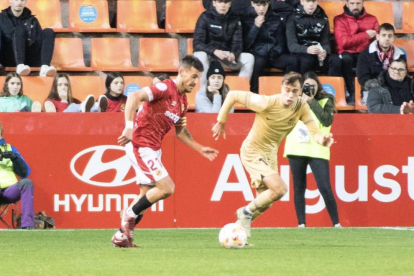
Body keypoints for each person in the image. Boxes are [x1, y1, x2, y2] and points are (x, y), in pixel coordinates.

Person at [212, 71, 334, 244]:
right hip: (253, 151)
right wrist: (221, 120)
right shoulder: (267, 102)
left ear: (300, 91)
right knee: (280, 189)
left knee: (266, 201)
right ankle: (244, 212)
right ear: (282, 87)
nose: (290, 95)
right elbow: (232, 95)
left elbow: (314, 131)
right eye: (287, 89)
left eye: (295, 91)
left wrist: (323, 139)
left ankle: (238, 232)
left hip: (270, 154)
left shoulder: (301, 106)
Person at [111, 55, 219, 248]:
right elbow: (135, 97)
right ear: (182, 72)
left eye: (198, 78)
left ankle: (122, 236)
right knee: (167, 187)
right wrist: (128, 126)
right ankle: (129, 213)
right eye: (194, 76)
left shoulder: (183, 101)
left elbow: (181, 131)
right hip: (140, 144)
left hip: (153, 148)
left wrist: (200, 148)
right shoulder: (164, 88)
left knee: (146, 195)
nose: (196, 82)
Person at [283, 72, 340, 228]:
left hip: (318, 147)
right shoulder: (293, 100)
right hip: (296, 147)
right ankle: (301, 224)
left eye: (312, 86)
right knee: (299, 187)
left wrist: (311, 101)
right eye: (306, 86)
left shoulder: (326, 100)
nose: (309, 89)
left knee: (324, 187)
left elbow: (327, 120)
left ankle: (336, 224)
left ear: (318, 86)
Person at [193, 0, 254, 93]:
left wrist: (234, 54)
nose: (223, 5)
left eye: (225, 2)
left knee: (249, 58)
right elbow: (197, 44)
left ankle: (238, 93)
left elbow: (238, 42)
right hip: (209, 55)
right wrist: (214, 51)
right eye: (220, 2)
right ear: (214, 3)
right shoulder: (204, 17)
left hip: (225, 56)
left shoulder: (235, 18)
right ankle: (205, 92)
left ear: (229, 4)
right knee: (200, 55)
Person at [242, 0, 299, 93]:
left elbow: (281, 41)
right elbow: (245, 44)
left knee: (293, 60)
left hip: (273, 53)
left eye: (264, 5)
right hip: (257, 53)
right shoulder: (246, 18)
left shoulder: (275, 18)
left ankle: (288, 91)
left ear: (268, 4)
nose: (261, 8)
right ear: (252, 3)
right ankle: (254, 93)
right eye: (258, 5)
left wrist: (276, 51)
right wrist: (255, 27)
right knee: (258, 62)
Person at [334, 0, 379, 105]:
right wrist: (365, 35)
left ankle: (368, 92)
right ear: (347, 3)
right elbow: (344, 42)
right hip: (346, 52)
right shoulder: (339, 19)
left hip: (364, 52)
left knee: (373, 58)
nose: (355, 6)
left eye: (358, 3)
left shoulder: (372, 19)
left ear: (363, 3)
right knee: (346, 59)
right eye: (352, 3)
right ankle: (351, 92)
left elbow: (377, 40)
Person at [285, 0, 342, 76]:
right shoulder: (292, 17)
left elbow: (325, 42)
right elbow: (291, 45)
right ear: (302, 2)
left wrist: (325, 51)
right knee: (307, 60)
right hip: (300, 54)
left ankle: (331, 86)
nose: (311, 4)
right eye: (308, 1)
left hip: (317, 55)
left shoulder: (323, 17)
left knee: (335, 60)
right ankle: (303, 86)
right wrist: (307, 50)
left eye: (313, 1)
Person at [0, 0, 56, 77]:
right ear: (10, 1)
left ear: (26, 1)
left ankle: (45, 67)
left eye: (22, 0)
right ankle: (20, 65)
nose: (19, 3)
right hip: (8, 57)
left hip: (29, 57)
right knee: (19, 29)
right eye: (16, 0)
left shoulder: (32, 20)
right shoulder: (1, 19)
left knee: (48, 32)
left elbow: (38, 42)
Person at [357, 23, 406, 104]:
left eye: (390, 36)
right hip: (371, 90)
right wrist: (377, 86)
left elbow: (403, 75)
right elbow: (362, 78)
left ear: (393, 38)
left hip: (394, 90)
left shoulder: (400, 54)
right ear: (377, 37)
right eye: (384, 35)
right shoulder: (365, 55)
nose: (387, 39)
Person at [0, 122, 34, 229]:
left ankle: (27, 226)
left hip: (8, 191)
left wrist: (15, 158)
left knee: (27, 183)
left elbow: (25, 173)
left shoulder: (9, 149)